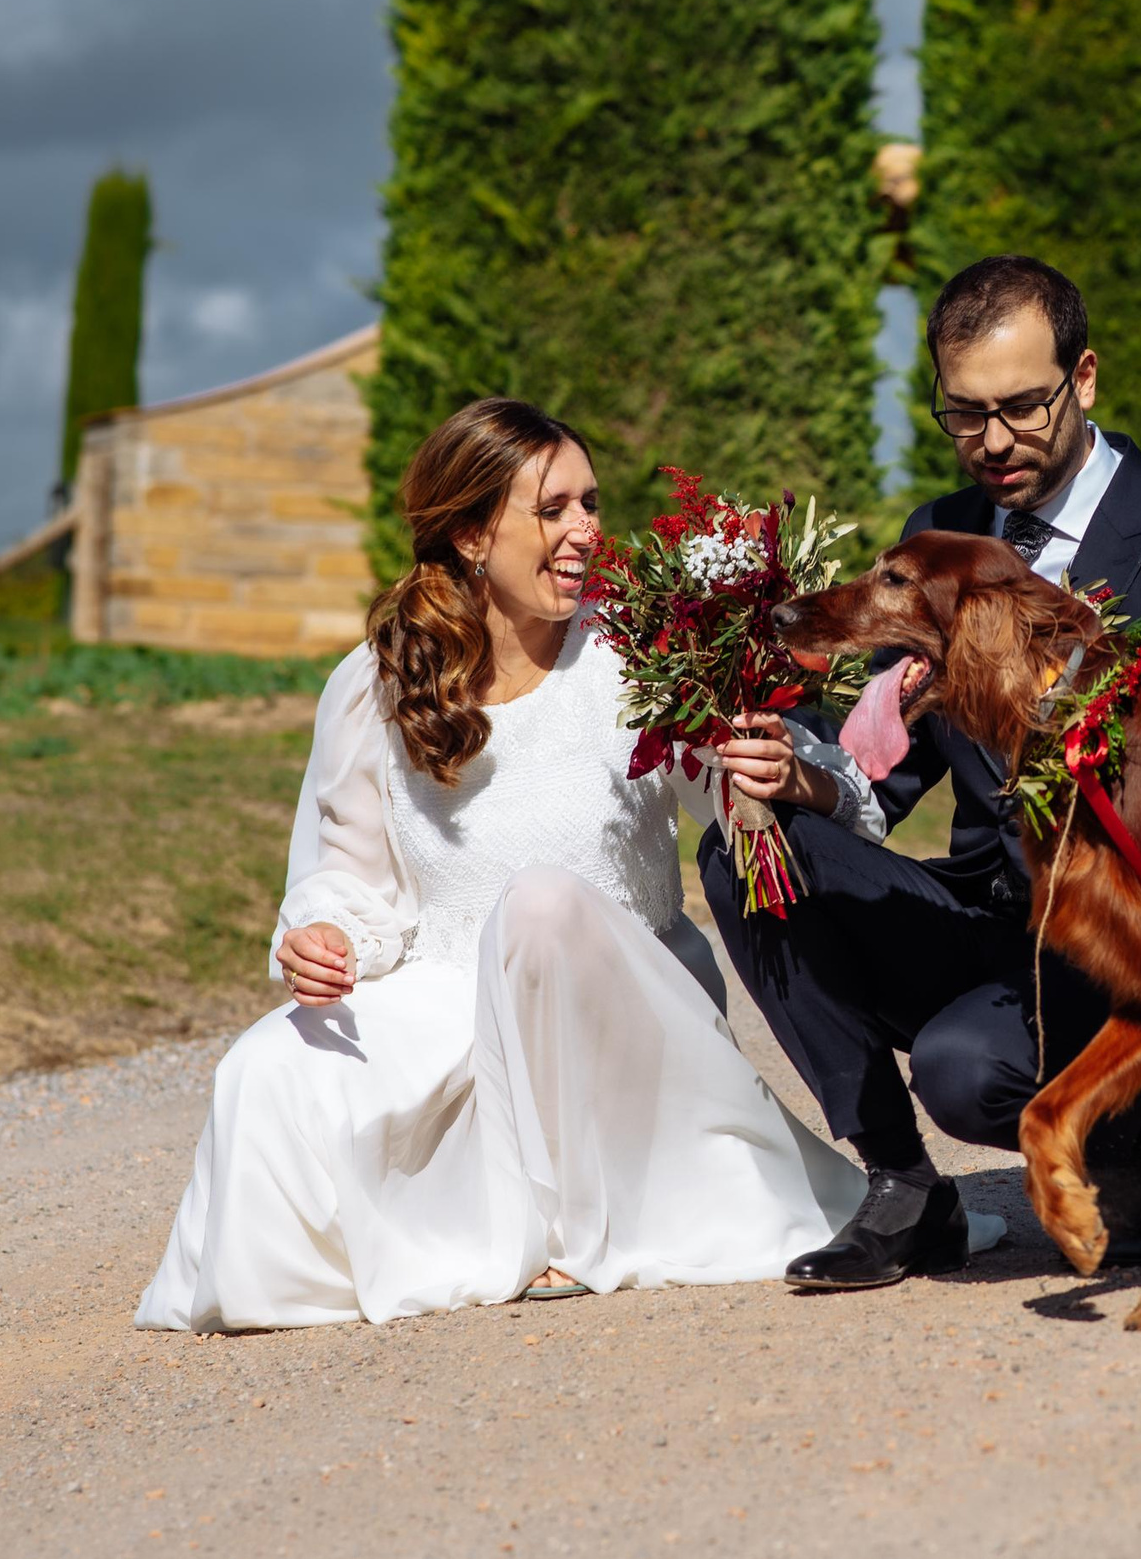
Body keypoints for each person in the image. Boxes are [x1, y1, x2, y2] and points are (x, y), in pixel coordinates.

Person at [136, 397, 943, 1332]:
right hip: (451, 990)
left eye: (591, 504)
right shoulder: (373, 680)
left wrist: (782, 771)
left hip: (618, 1003)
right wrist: (317, 935)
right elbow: (342, 870)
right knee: (264, 1070)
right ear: (474, 532)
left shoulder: (641, 652)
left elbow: (752, 803)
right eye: (553, 509)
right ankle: (464, 1234)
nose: (586, 532)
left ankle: (572, 1223)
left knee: (543, 907)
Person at [700, 255, 1141, 1291]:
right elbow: (882, 780)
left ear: (1083, 379)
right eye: (963, 414)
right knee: (747, 847)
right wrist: (801, 778)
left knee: (965, 1070)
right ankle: (899, 1185)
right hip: (996, 915)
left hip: (1139, 937)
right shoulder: (936, 537)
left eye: (1021, 408)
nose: (991, 442)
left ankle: (1129, 1141)